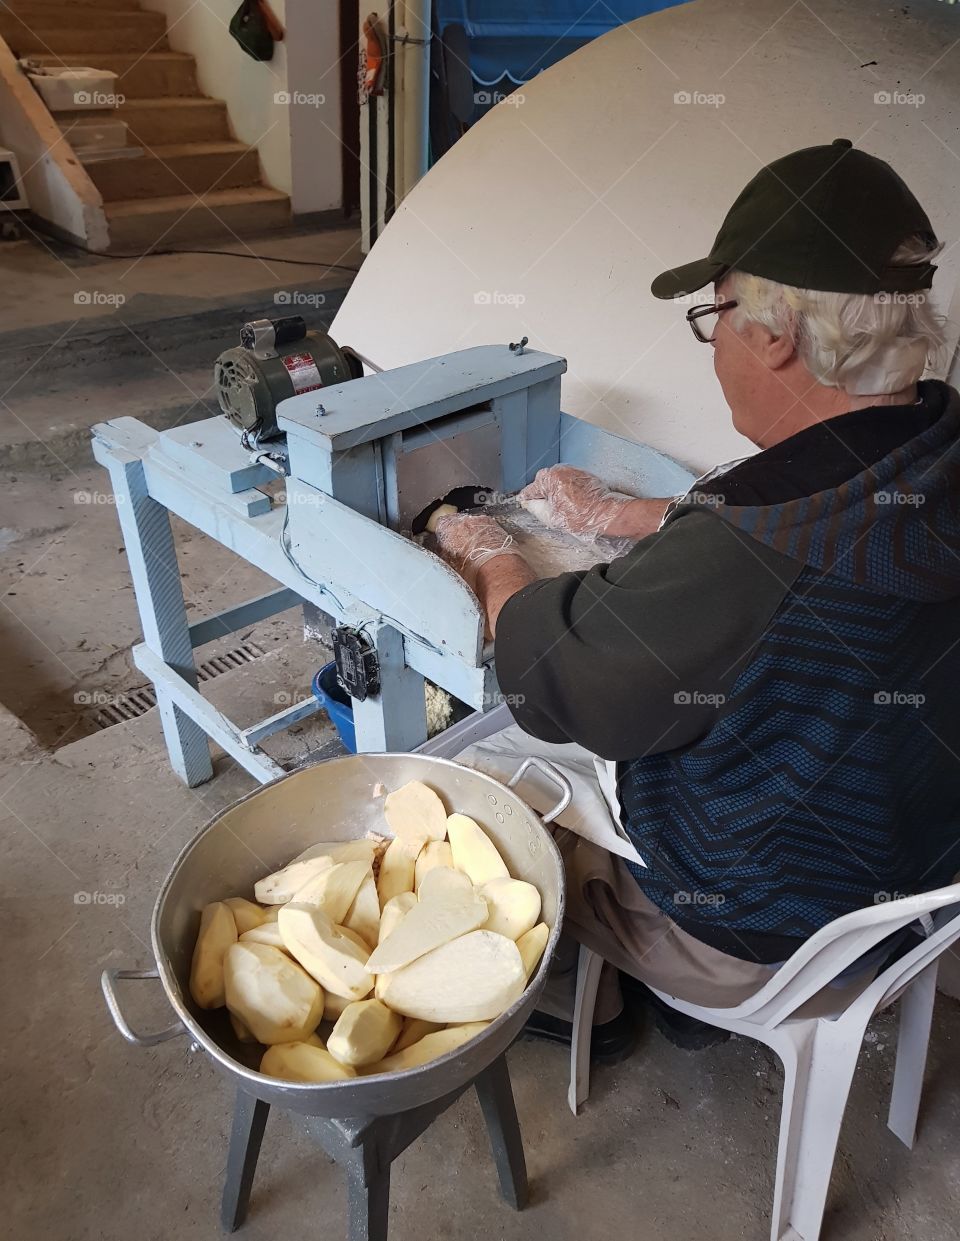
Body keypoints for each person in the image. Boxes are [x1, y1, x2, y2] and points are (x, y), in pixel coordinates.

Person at [433, 138, 960, 1052]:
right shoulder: (937, 445)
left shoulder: (745, 559)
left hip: (766, 932)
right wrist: (644, 510)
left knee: (484, 776)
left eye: (712, 317)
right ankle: (678, 1003)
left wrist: (484, 552)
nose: (713, 344)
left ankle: (598, 1005)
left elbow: (549, 668)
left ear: (776, 335)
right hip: (914, 871)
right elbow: (834, 502)